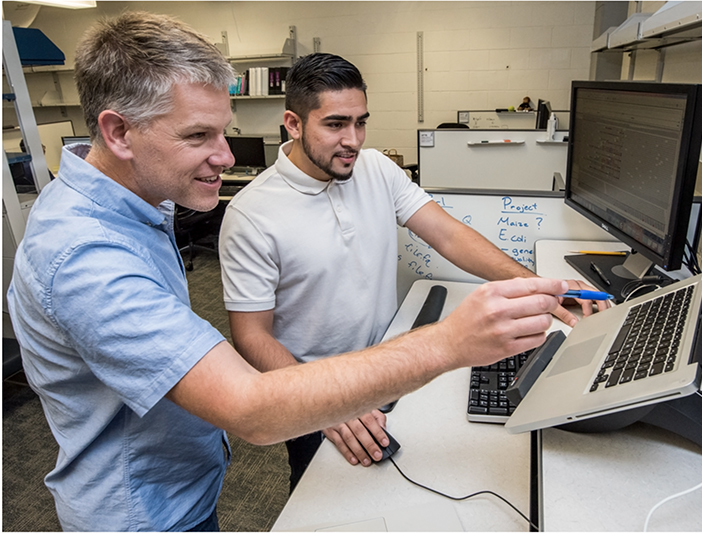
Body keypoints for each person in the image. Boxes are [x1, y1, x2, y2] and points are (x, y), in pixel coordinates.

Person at [7, 12, 570, 532]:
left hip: (185, 478)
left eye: (220, 131)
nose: (226, 156)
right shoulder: (87, 255)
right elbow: (249, 406)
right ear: (119, 133)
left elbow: (446, 232)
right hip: (142, 509)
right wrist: (448, 342)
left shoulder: (136, 195)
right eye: (198, 136)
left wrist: (534, 286)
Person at [218, 53, 609, 489]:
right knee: (323, 500)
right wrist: (325, 404)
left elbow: (447, 235)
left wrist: (536, 286)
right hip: (316, 390)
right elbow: (252, 335)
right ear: (293, 123)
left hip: (395, 362)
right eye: (335, 124)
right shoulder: (251, 214)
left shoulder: (376, 169)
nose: (353, 139)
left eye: (361, 122)